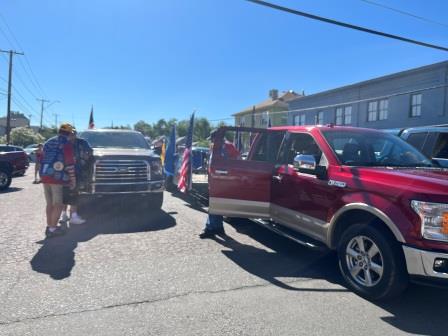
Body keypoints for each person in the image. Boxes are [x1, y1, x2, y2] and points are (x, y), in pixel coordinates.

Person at [199, 129, 240, 239]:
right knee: (216, 204)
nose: (211, 141)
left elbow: (237, 160)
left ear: (216, 138)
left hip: (223, 180)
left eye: (212, 139)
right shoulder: (214, 147)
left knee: (214, 205)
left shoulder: (228, 146)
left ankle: (210, 228)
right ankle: (218, 228)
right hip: (214, 179)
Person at [40, 123, 76, 238]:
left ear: (59, 131)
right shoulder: (66, 144)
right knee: (58, 205)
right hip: (57, 177)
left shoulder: (49, 141)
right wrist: (73, 179)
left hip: (45, 175)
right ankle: (52, 229)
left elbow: (41, 157)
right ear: (69, 133)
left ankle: (49, 226)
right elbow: (70, 163)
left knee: (49, 204)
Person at [60, 129, 93, 225]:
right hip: (64, 171)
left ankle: (73, 215)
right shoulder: (63, 143)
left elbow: (90, 151)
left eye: (73, 133)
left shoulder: (82, 142)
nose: (71, 135)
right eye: (69, 134)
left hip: (78, 170)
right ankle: (64, 215)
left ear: (76, 134)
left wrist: (86, 157)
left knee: (75, 193)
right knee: (64, 194)